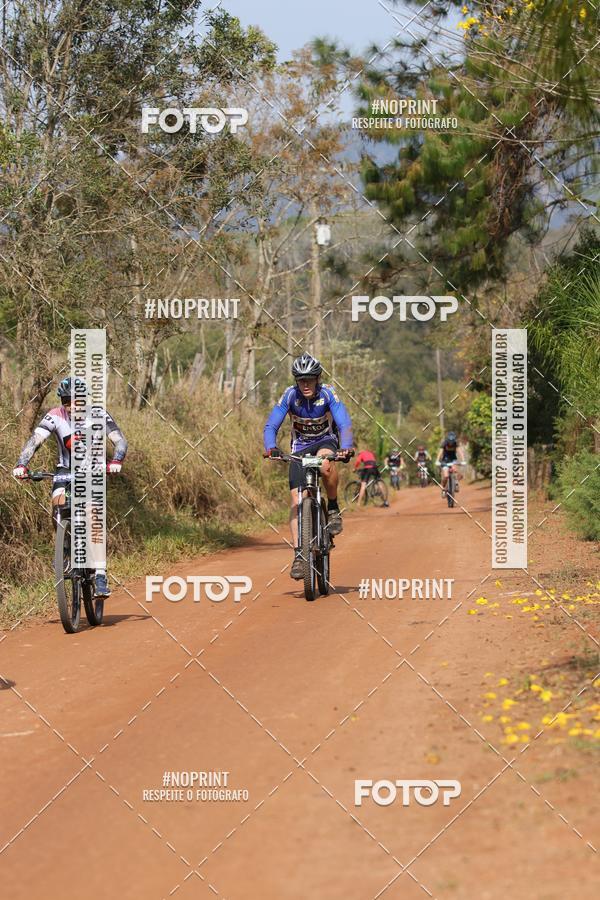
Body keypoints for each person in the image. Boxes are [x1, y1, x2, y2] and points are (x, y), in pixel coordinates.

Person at [12, 376, 128, 598]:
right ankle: (64, 547)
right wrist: (21, 464)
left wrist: (116, 461)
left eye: (75, 400)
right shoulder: (55, 415)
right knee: (58, 501)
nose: (71, 405)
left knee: (93, 516)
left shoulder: (99, 414)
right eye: (66, 401)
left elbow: (119, 440)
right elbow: (35, 440)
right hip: (65, 471)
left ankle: (100, 575)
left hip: (94, 472)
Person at [263, 353, 354, 579]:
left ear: (317, 379)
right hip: (300, 448)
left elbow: (344, 423)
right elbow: (271, 425)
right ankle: (299, 555)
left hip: (325, 442)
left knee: (325, 464)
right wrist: (271, 447)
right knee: (296, 501)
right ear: (296, 381)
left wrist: (346, 447)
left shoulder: (328, 394)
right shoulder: (290, 395)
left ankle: (332, 507)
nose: (305, 384)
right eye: (301, 380)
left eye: (310, 379)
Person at [435, 431, 464, 496]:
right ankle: (443, 489)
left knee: (457, 472)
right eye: (450, 442)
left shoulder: (456, 443)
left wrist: (463, 460)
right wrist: (437, 460)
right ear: (447, 440)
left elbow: (460, 451)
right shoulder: (444, 443)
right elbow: (440, 452)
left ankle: (456, 482)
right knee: (446, 476)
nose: (451, 443)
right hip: (445, 461)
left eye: (452, 442)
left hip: (453, 460)